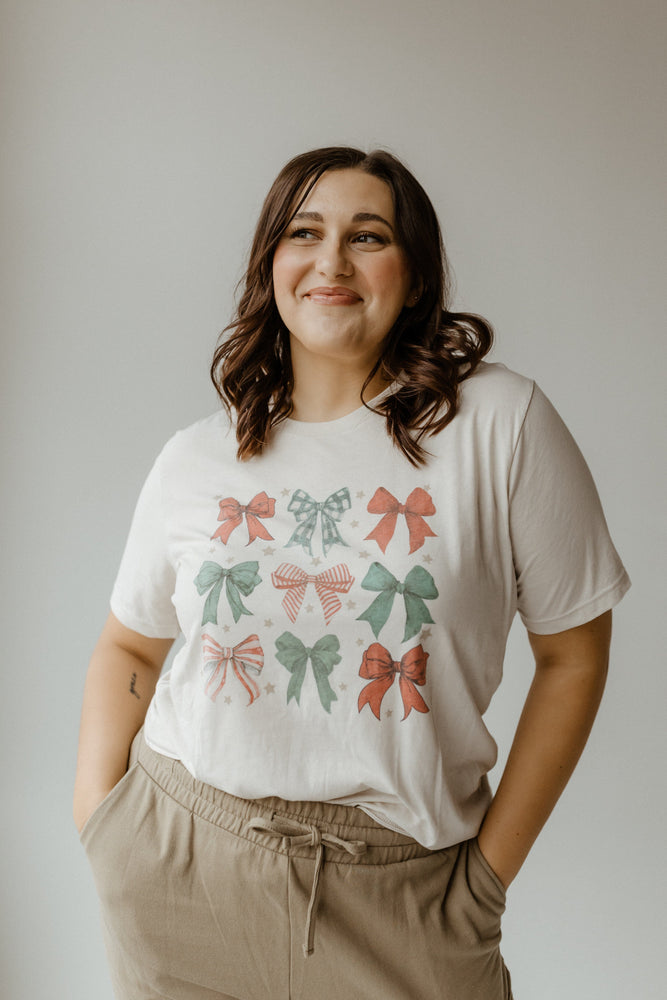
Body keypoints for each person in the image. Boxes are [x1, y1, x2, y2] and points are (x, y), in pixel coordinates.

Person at [74, 146, 630, 1000]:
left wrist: (482, 883)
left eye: (367, 236)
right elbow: (131, 647)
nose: (331, 260)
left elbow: (573, 656)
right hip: (179, 871)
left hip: (403, 897)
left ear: (412, 275)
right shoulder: (196, 457)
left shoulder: (498, 425)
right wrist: (102, 827)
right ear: (272, 265)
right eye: (305, 232)